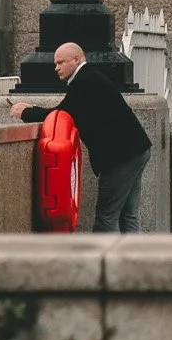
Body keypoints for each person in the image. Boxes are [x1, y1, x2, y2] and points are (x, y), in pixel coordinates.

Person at [11, 42, 151, 233]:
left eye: (61, 62)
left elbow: (61, 114)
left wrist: (26, 112)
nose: (56, 68)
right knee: (129, 215)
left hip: (120, 157)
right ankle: (133, 253)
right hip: (137, 149)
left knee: (106, 217)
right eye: (55, 64)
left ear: (76, 59)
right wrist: (32, 108)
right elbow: (67, 110)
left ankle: (99, 253)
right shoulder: (90, 77)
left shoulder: (83, 82)